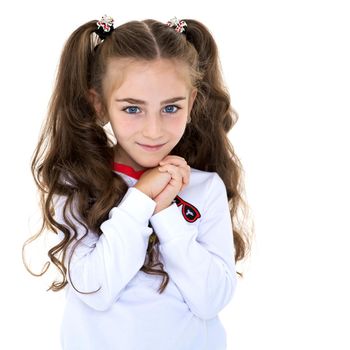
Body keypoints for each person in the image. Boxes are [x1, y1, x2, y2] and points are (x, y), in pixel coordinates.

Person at [23, 14, 252, 350]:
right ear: (99, 105)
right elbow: (95, 289)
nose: (154, 129)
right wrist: (141, 198)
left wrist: (165, 212)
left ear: (192, 102)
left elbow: (210, 299)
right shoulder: (76, 183)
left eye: (171, 108)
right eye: (133, 109)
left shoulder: (205, 188)